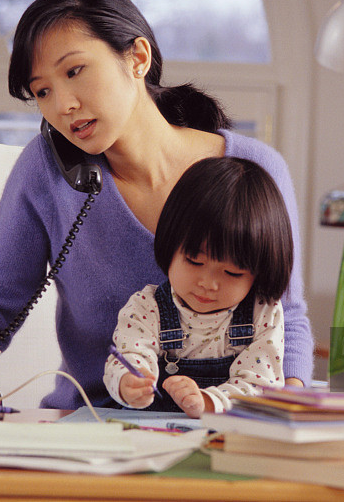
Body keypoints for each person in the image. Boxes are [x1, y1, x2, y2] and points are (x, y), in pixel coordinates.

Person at [0, 0, 313, 410]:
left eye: (75, 71)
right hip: (92, 423)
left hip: (228, 422)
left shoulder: (255, 169)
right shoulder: (44, 172)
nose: (63, 105)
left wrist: (288, 413)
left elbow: (285, 314)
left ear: (137, 58)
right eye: (41, 92)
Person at [104, 157, 292, 418]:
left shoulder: (262, 313)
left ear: (259, 271)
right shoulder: (147, 307)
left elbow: (261, 386)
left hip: (229, 432)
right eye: (194, 261)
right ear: (170, 245)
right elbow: (129, 355)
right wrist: (129, 383)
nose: (208, 284)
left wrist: (207, 401)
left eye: (232, 273)